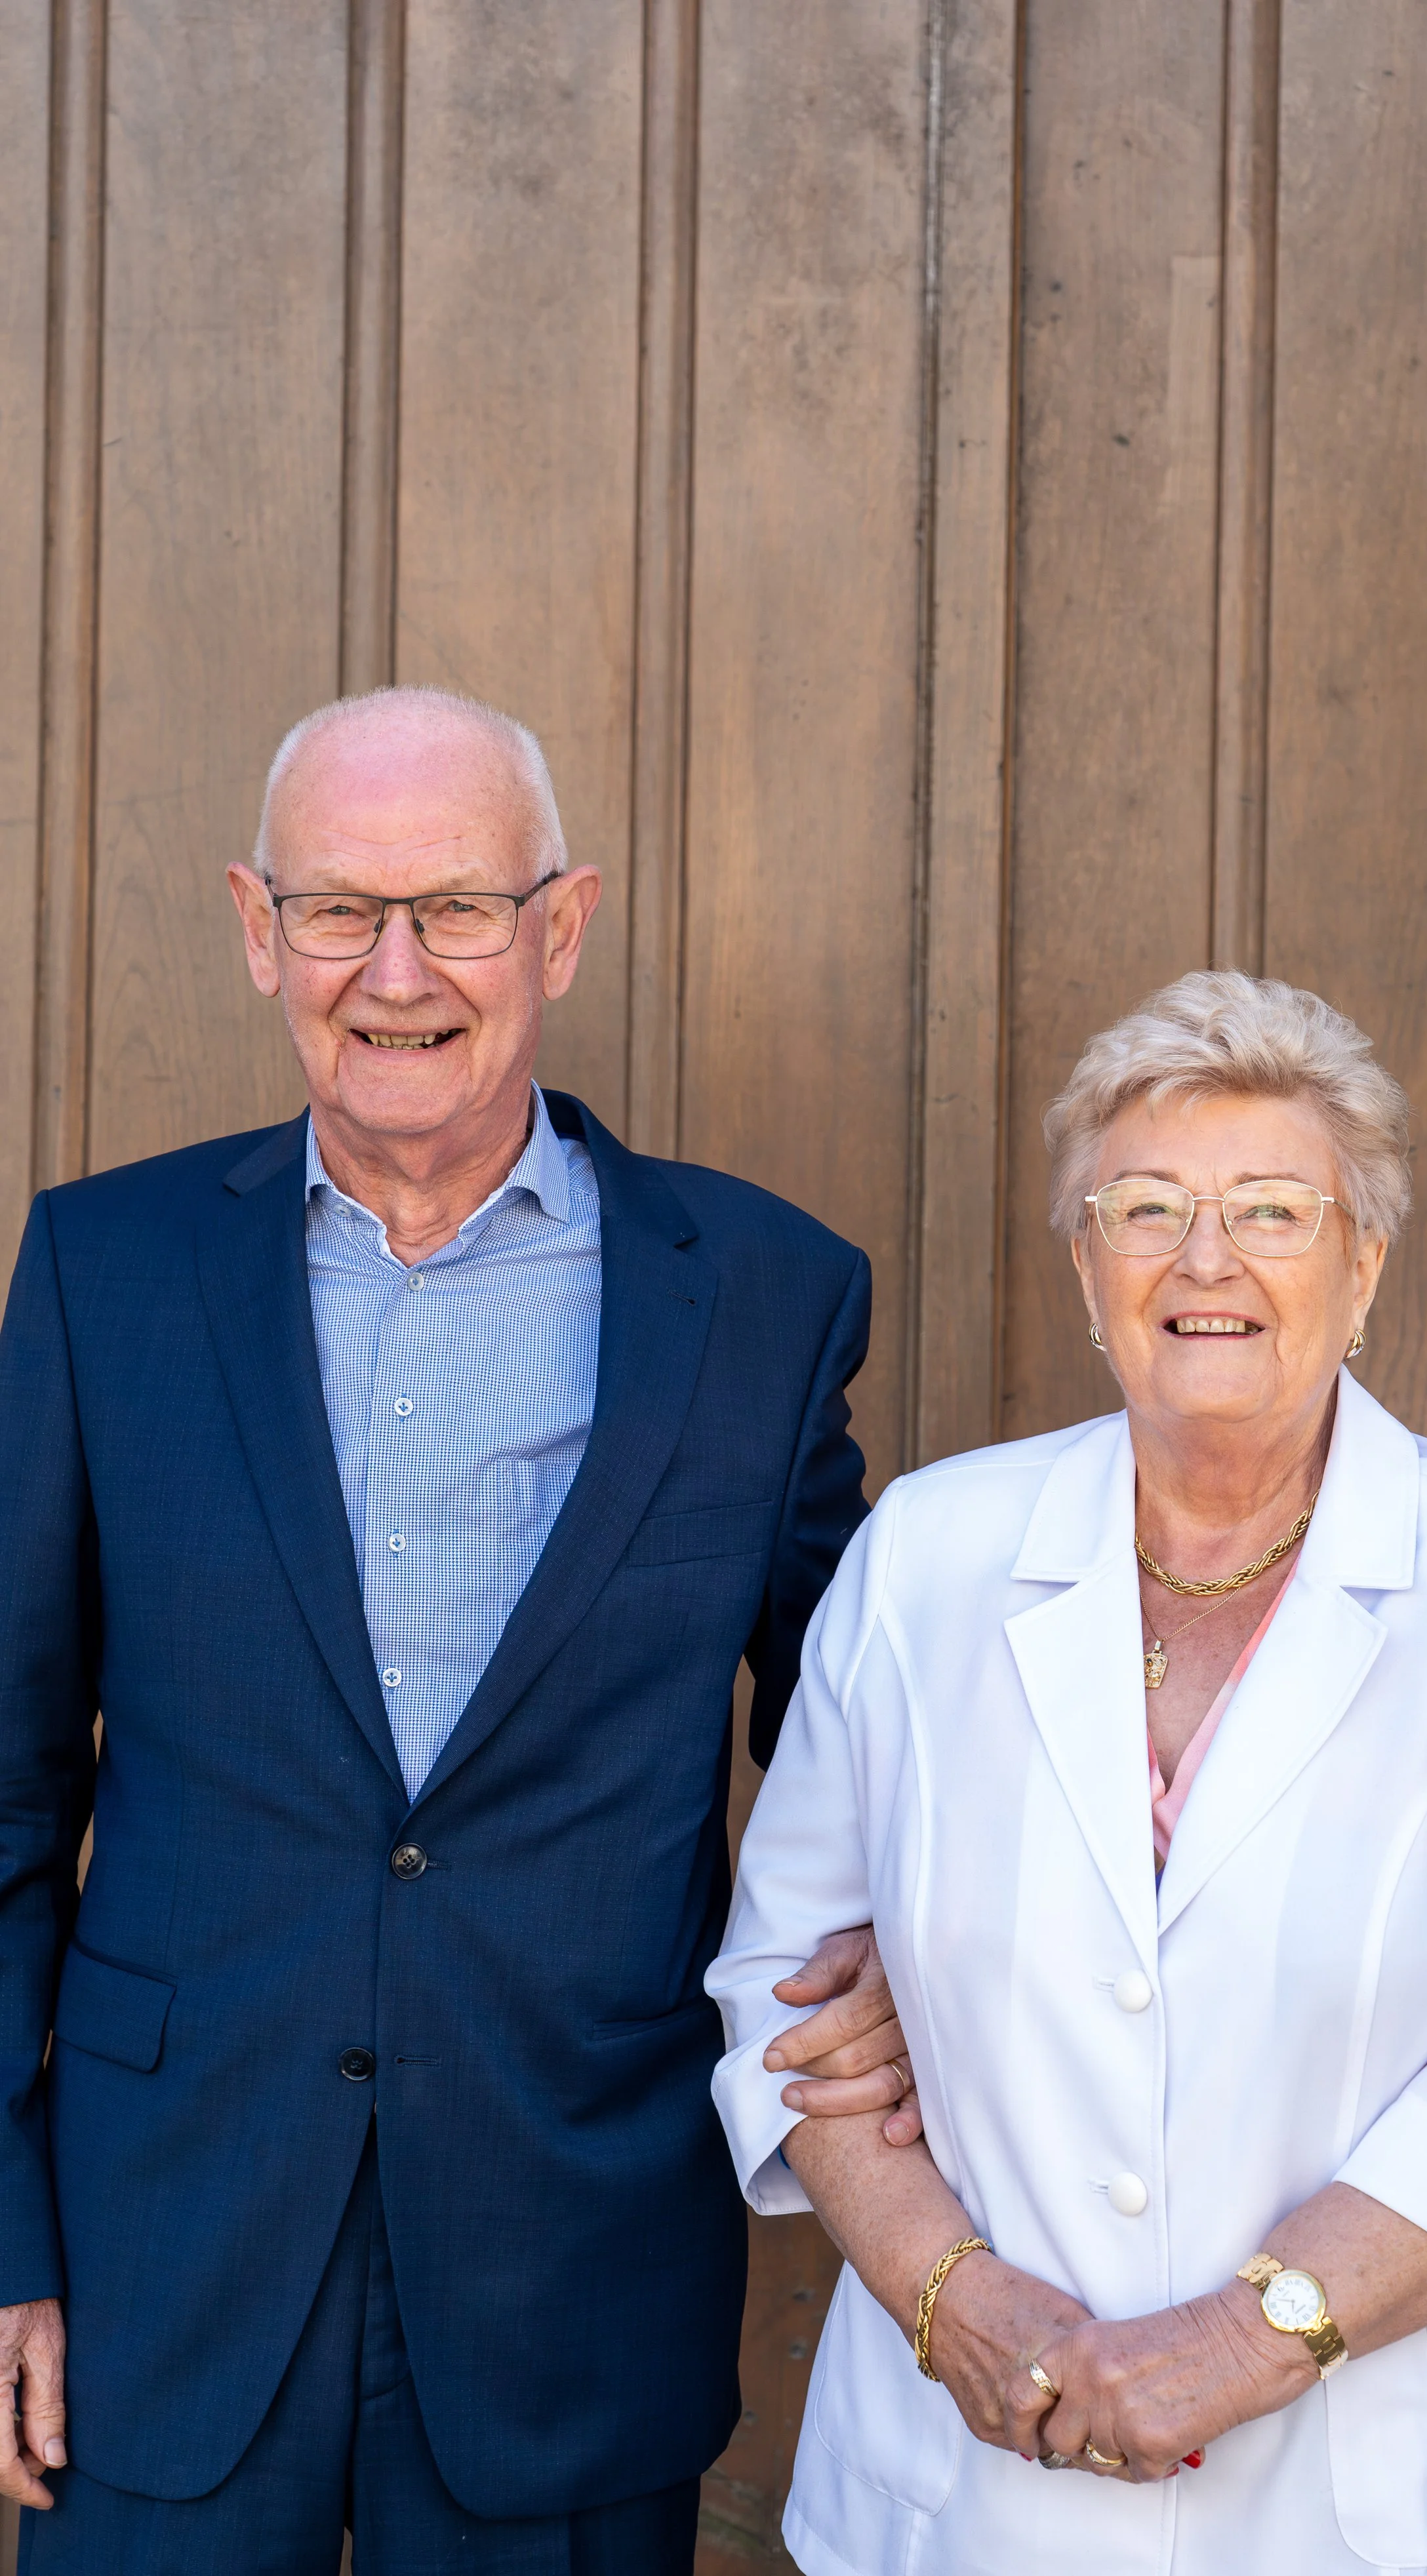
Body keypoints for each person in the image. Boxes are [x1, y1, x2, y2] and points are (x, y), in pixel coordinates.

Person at [0, 685, 906, 2572]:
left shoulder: (755, 1294)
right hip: (159, 2252)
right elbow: (5, 1802)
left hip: (568, 2254)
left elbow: (872, 1760)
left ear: (557, 929)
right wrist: (5, 2236)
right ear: (259, 930)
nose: (394, 969)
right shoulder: (105, 1273)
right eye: (339, 909)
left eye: (458, 911)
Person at [709, 969, 1427, 2576]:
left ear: (1360, 1264)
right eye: (1144, 1205)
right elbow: (780, 1998)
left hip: (1391, 2504)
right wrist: (957, 2301)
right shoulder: (926, 1556)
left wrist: (1259, 2328)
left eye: (1271, 1207)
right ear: (1085, 1266)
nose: (1204, 1257)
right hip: (971, 2491)